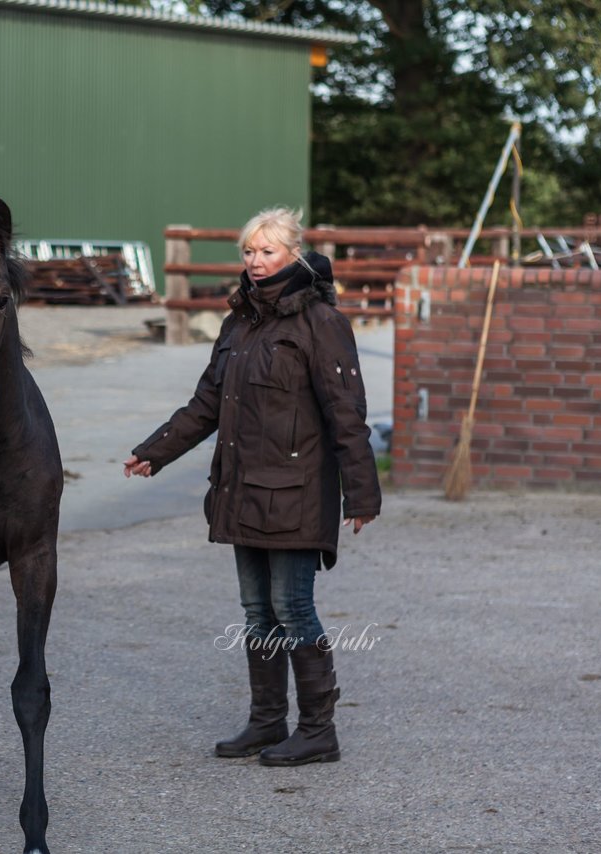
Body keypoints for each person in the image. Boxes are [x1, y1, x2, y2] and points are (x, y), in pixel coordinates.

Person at [124, 207, 380, 766]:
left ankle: (318, 730)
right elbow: (208, 403)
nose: (256, 263)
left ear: (293, 253)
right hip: (243, 488)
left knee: (293, 607)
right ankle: (267, 722)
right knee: (257, 612)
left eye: (267, 252)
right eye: (248, 252)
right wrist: (155, 451)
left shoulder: (322, 323)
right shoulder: (240, 321)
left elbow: (347, 413)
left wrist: (361, 494)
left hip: (298, 491)